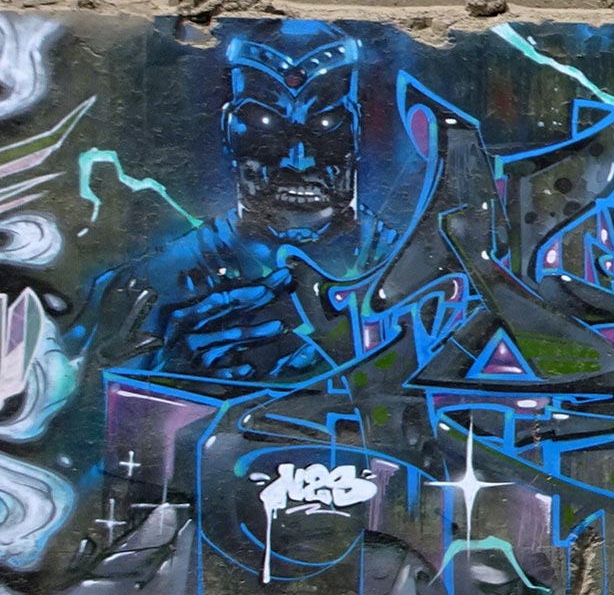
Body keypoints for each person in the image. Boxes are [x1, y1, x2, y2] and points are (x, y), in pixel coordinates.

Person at [82, 19, 395, 380]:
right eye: (265, 128)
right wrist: (171, 385)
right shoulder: (142, 290)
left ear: (355, 133)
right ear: (230, 131)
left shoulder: (419, 277)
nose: (298, 160)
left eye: (326, 128)